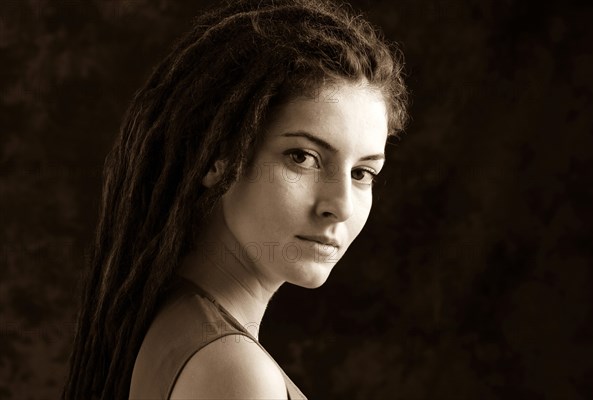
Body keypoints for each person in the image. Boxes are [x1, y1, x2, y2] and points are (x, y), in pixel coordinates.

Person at [61, 0, 408, 398]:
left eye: (362, 173)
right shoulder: (234, 372)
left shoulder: (173, 321)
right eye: (302, 157)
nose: (341, 205)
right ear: (217, 158)